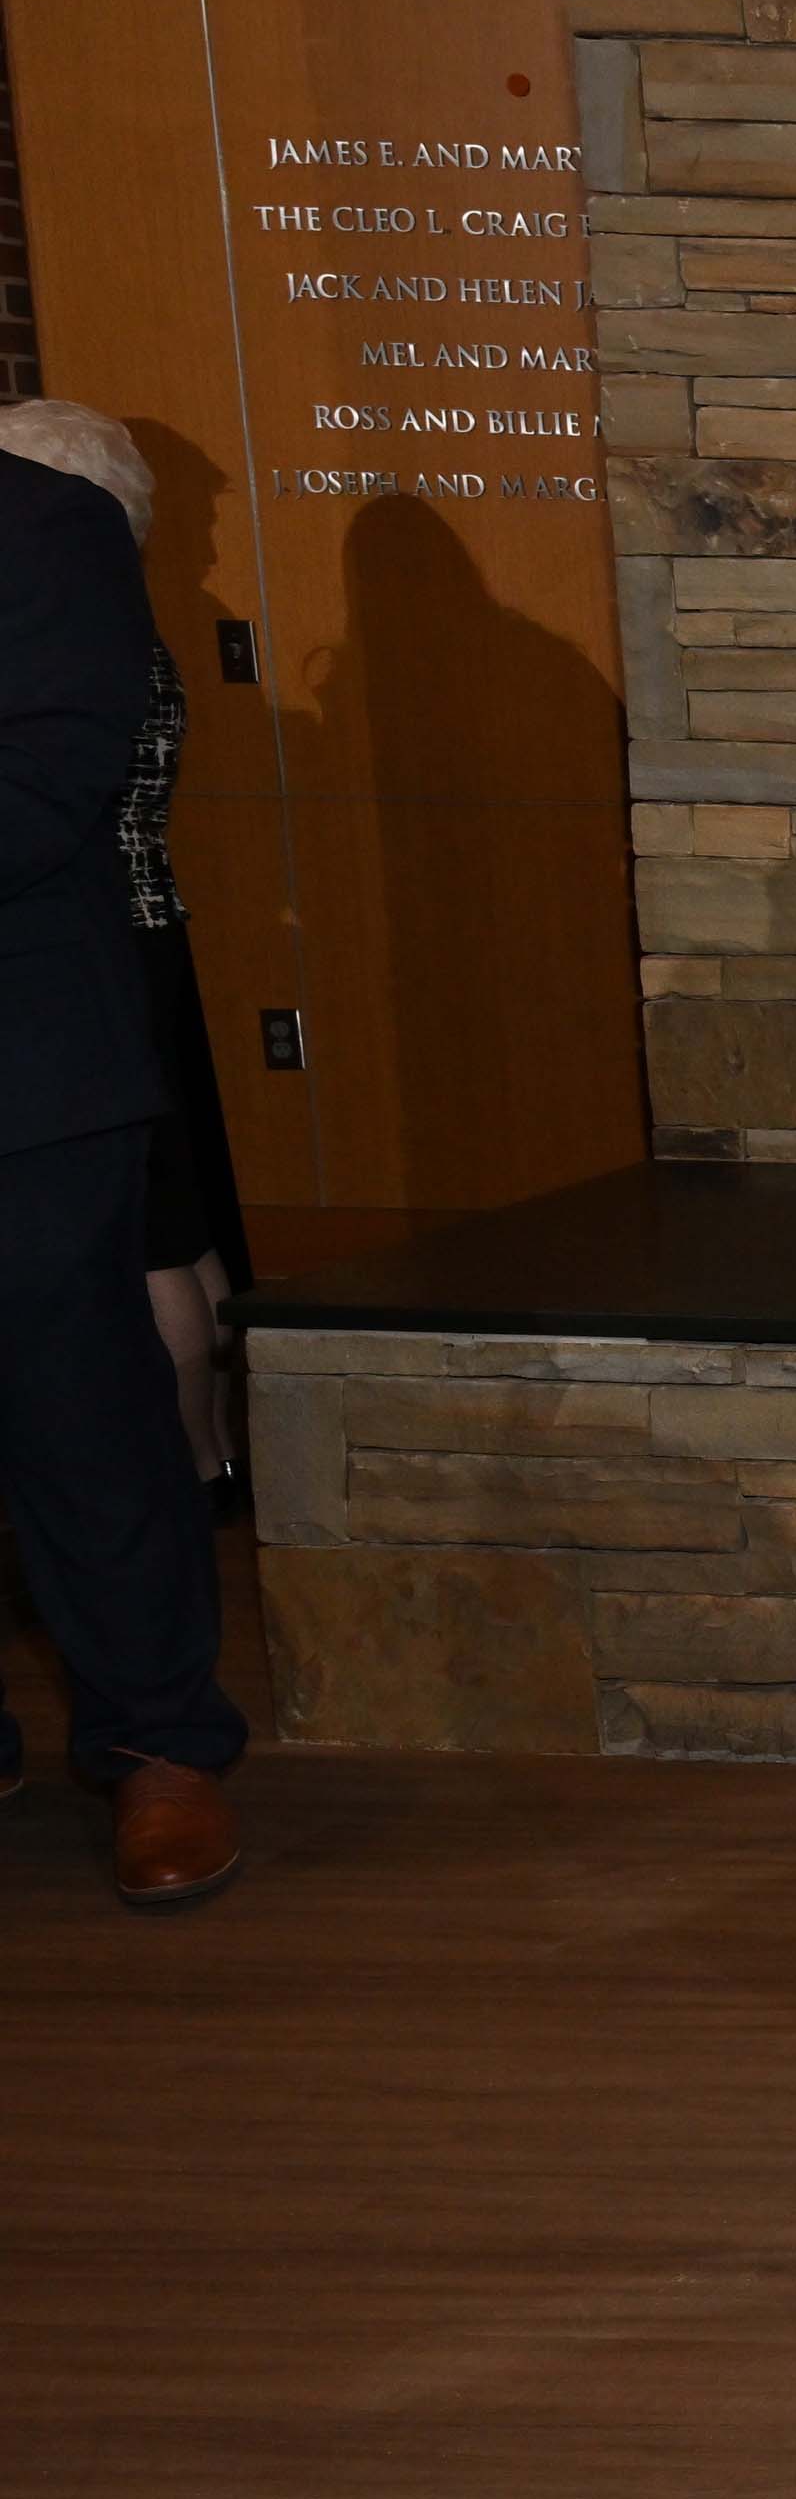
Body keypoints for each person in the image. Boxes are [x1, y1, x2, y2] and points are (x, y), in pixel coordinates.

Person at [0, 428, 248, 1906]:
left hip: (22, 1074)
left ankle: (162, 1747)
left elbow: (48, 778)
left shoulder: (46, 527)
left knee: (77, 1413)